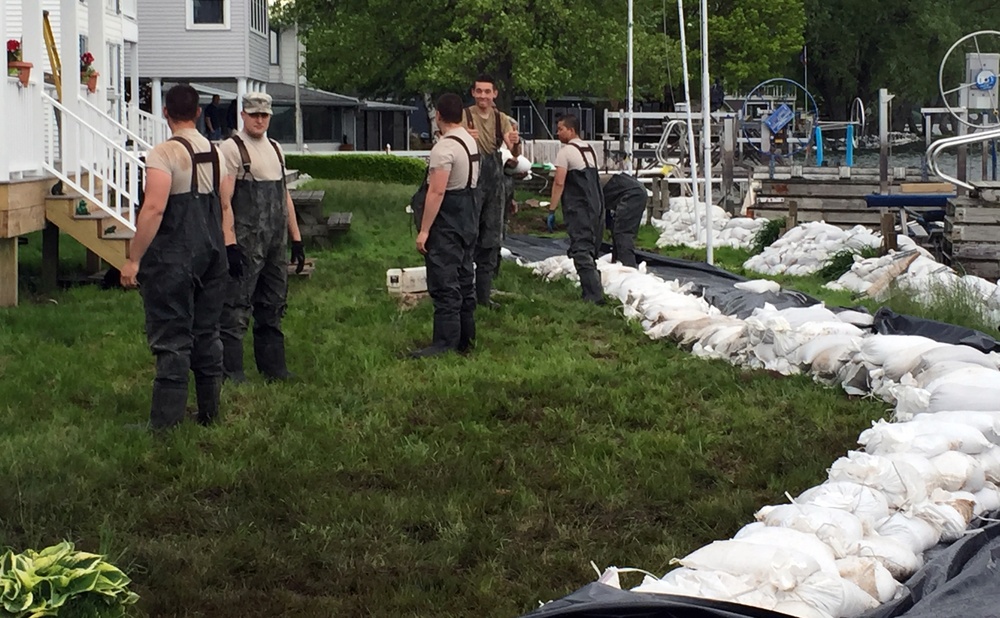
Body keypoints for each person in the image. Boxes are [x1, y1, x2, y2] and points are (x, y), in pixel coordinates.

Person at [119, 84, 242, 430]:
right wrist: (228, 246)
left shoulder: (164, 154)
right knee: (206, 333)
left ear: (165, 112)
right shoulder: (218, 153)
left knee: (172, 337)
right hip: (213, 252)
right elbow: (224, 204)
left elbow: (155, 208)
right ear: (199, 113)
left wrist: (133, 259)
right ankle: (209, 415)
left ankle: (165, 425)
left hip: (174, 256)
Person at [218, 92, 305, 382]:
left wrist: (296, 238)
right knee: (236, 307)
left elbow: (284, 196)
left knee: (273, 303)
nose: (259, 120)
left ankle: (274, 368)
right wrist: (229, 244)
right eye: (253, 114)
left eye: (264, 115)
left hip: (274, 245)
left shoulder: (277, 149)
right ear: (242, 115)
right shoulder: (231, 149)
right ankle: (231, 372)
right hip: (244, 243)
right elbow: (224, 202)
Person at [411, 93, 481, 357]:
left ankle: (444, 343)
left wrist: (425, 230)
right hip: (468, 219)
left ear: (438, 115)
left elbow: (437, 192)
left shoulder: (444, 148)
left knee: (444, 282)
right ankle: (466, 338)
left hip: (448, 223)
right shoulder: (469, 141)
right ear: (461, 115)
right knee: (465, 278)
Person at [465, 74, 520, 308]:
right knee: (468, 235)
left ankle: (484, 296)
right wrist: (464, 137)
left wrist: (514, 142)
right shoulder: (464, 116)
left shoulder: (502, 119)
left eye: (487, 92)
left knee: (491, 238)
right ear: (473, 93)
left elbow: (514, 153)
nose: (483, 96)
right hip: (471, 179)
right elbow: (445, 140)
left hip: (495, 182)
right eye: (479, 91)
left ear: (494, 94)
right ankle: (464, 291)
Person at [546, 114, 605, 304]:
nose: (557, 133)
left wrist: (551, 209)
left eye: (560, 129)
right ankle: (593, 290)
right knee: (590, 248)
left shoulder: (566, 152)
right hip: (596, 205)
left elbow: (559, 181)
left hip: (578, 207)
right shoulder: (589, 149)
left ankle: (594, 296)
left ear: (571, 130)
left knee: (581, 250)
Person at [601, 173, 647, 269]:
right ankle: (618, 265)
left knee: (623, 233)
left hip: (633, 194)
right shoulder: (593, 183)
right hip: (633, 190)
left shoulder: (589, 188)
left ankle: (628, 269)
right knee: (617, 231)